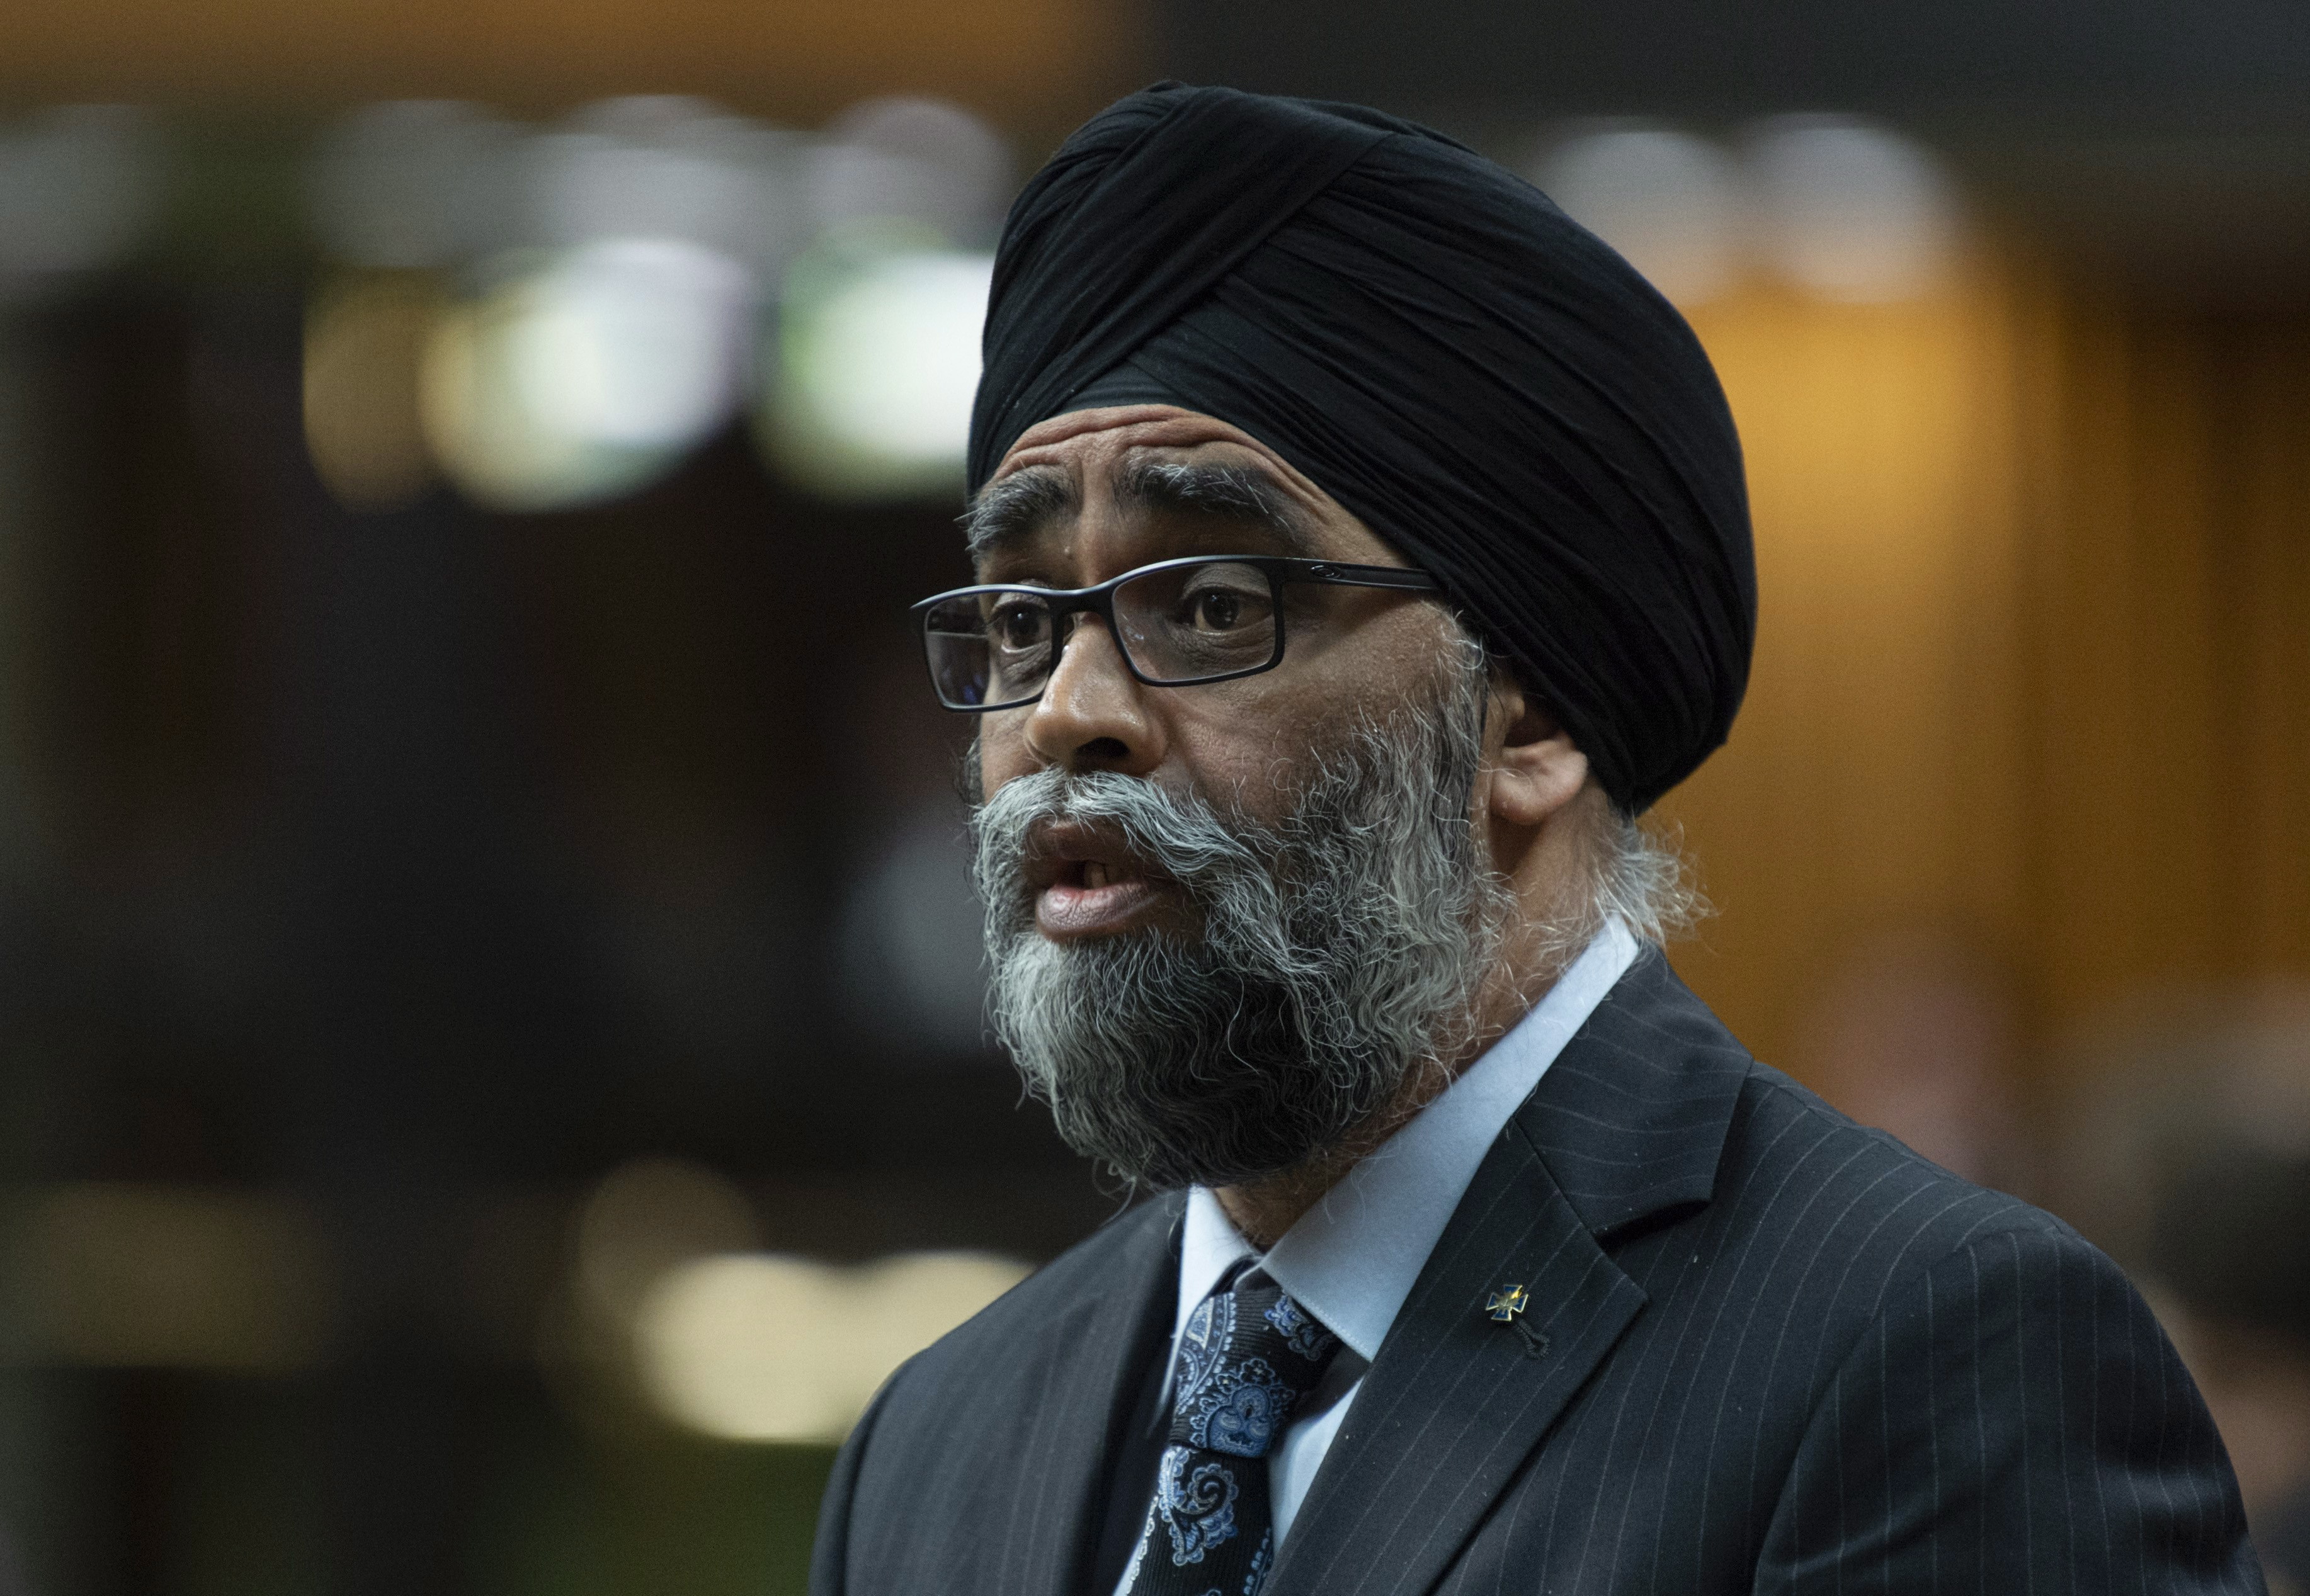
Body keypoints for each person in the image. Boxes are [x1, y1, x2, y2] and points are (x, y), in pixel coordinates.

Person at [810, 83, 2262, 1595]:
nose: (1065, 712)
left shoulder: (1928, 1352)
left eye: (1215, 605)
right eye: (1024, 619)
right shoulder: (940, 1434)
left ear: (1530, 717)